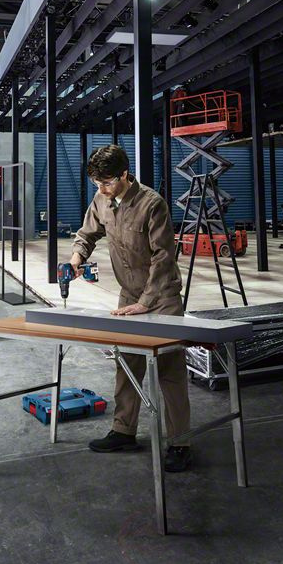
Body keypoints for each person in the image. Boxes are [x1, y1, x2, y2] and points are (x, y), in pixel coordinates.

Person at [71, 144, 191, 472]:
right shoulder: (102, 199)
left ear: (125, 174)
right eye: (96, 184)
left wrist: (145, 303)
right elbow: (87, 233)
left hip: (161, 297)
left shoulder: (152, 204)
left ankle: (180, 443)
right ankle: (123, 431)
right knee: (126, 363)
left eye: (107, 183)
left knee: (169, 370)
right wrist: (77, 257)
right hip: (129, 294)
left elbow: (164, 258)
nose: (102, 190)